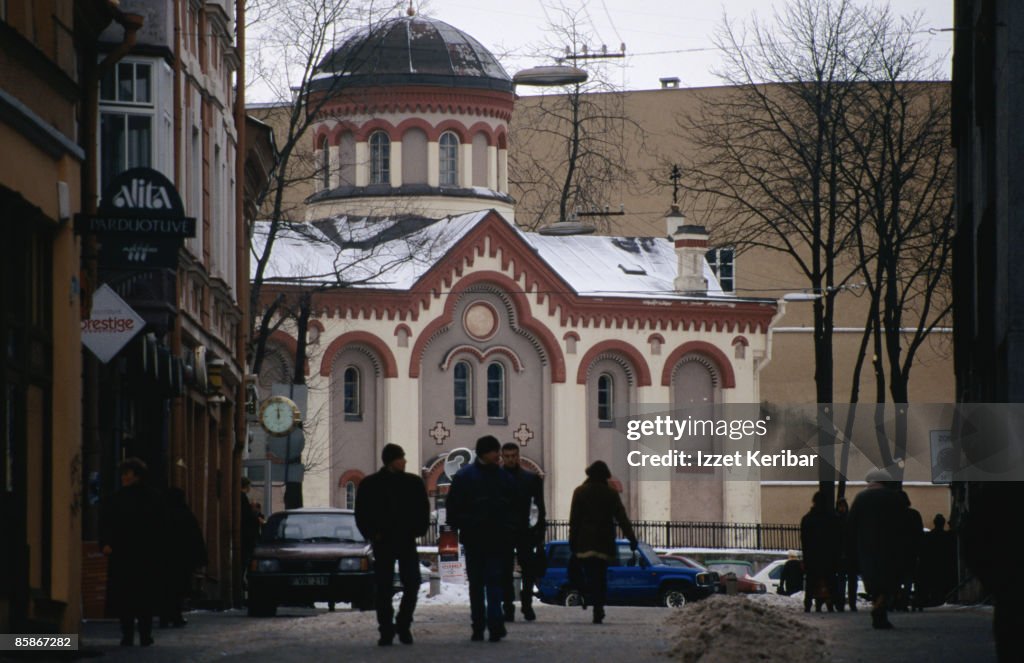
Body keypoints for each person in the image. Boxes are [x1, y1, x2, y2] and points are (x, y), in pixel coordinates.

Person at [355, 443, 430, 646]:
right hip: (384, 541)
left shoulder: (413, 483)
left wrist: (418, 530)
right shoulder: (372, 485)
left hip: (406, 540)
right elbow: (362, 513)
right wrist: (373, 534)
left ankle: (403, 623)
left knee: (412, 582)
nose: (404, 461)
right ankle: (386, 629)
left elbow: (423, 509)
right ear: (390, 461)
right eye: (400, 458)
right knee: (384, 587)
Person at [446, 435, 517, 642]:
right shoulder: (503, 478)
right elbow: (513, 507)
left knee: (479, 584)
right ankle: (492, 625)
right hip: (491, 537)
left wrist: (465, 524)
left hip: (478, 538)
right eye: (496, 451)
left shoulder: (464, 477)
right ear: (487, 453)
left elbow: (453, 509)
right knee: (490, 582)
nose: (499, 455)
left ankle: (481, 626)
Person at [100, 458, 165, 647]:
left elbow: (108, 523)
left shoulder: (121, 498)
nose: (123, 477)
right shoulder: (151, 497)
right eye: (123, 474)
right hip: (139, 554)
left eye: (127, 474)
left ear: (137, 476)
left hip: (131, 554)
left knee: (129, 596)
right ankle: (138, 634)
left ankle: (134, 634)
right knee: (138, 596)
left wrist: (107, 543)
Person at [568, 460, 637, 625]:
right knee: (600, 577)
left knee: (584, 573)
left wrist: (572, 541)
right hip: (603, 544)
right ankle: (598, 607)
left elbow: (574, 520)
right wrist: (632, 538)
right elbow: (622, 518)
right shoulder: (611, 494)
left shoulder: (580, 492)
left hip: (584, 543)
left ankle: (585, 593)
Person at [846, 468, 908, 629]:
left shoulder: (861, 498)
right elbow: (903, 524)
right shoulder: (894, 498)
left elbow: (851, 524)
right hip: (889, 547)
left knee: (872, 580)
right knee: (888, 581)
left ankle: (878, 609)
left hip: (866, 547)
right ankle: (880, 609)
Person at [500, 442, 547, 623]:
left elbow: (539, 506)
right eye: (508, 456)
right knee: (505, 571)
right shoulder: (498, 478)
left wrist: (539, 530)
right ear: (503, 457)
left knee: (528, 571)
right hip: (505, 530)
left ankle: (526, 604)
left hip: (525, 530)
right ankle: (509, 606)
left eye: (513, 456)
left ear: (518, 456)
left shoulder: (531, 479)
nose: (511, 459)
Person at [160, 487, 207, 628]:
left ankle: (165, 616)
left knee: (165, 588)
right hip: (181, 560)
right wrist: (200, 558)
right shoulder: (185, 514)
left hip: (164, 559)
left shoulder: (161, 515)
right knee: (178, 588)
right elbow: (195, 537)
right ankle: (175, 615)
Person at [800, 490, 840, 612]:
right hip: (828, 556)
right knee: (830, 580)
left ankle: (808, 604)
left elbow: (804, 540)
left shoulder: (807, 519)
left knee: (811, 581)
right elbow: (837, 538)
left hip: (812, 556)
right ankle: (832, 603)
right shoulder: (832, 518)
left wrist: (806, 557)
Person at [834, 497, 858, 611]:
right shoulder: (850, 520)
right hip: (850, 555)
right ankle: (850, 603)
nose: (841, 508)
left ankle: (842, 603)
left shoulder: (837, 521)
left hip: (843, 555)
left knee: (843, 580)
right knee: (849, 580)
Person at [240, 477, 260, 579]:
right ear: (246, 486)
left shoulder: (241, 497)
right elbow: (248, 517)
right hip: (247, 535)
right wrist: (254, 511)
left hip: (246, 534)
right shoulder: (242, 497)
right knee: (246, 558)